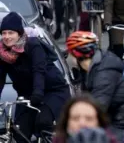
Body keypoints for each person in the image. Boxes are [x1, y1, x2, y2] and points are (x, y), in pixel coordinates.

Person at [0, 12, 71, 143]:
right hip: (27, 95)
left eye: (11, 33)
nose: (7, 37)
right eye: (4, 33)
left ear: (19, 33)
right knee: (20, 131)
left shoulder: (33, 45)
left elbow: (39, 71)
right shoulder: (3, 54)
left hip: (52, 91)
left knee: (42, 122)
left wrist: (38, 93)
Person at [66, 31, 124, 142]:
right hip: (115, 118)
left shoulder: (103, 73)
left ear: (77, 55)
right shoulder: (92, 68)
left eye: (70, 54)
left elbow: (98, 106)